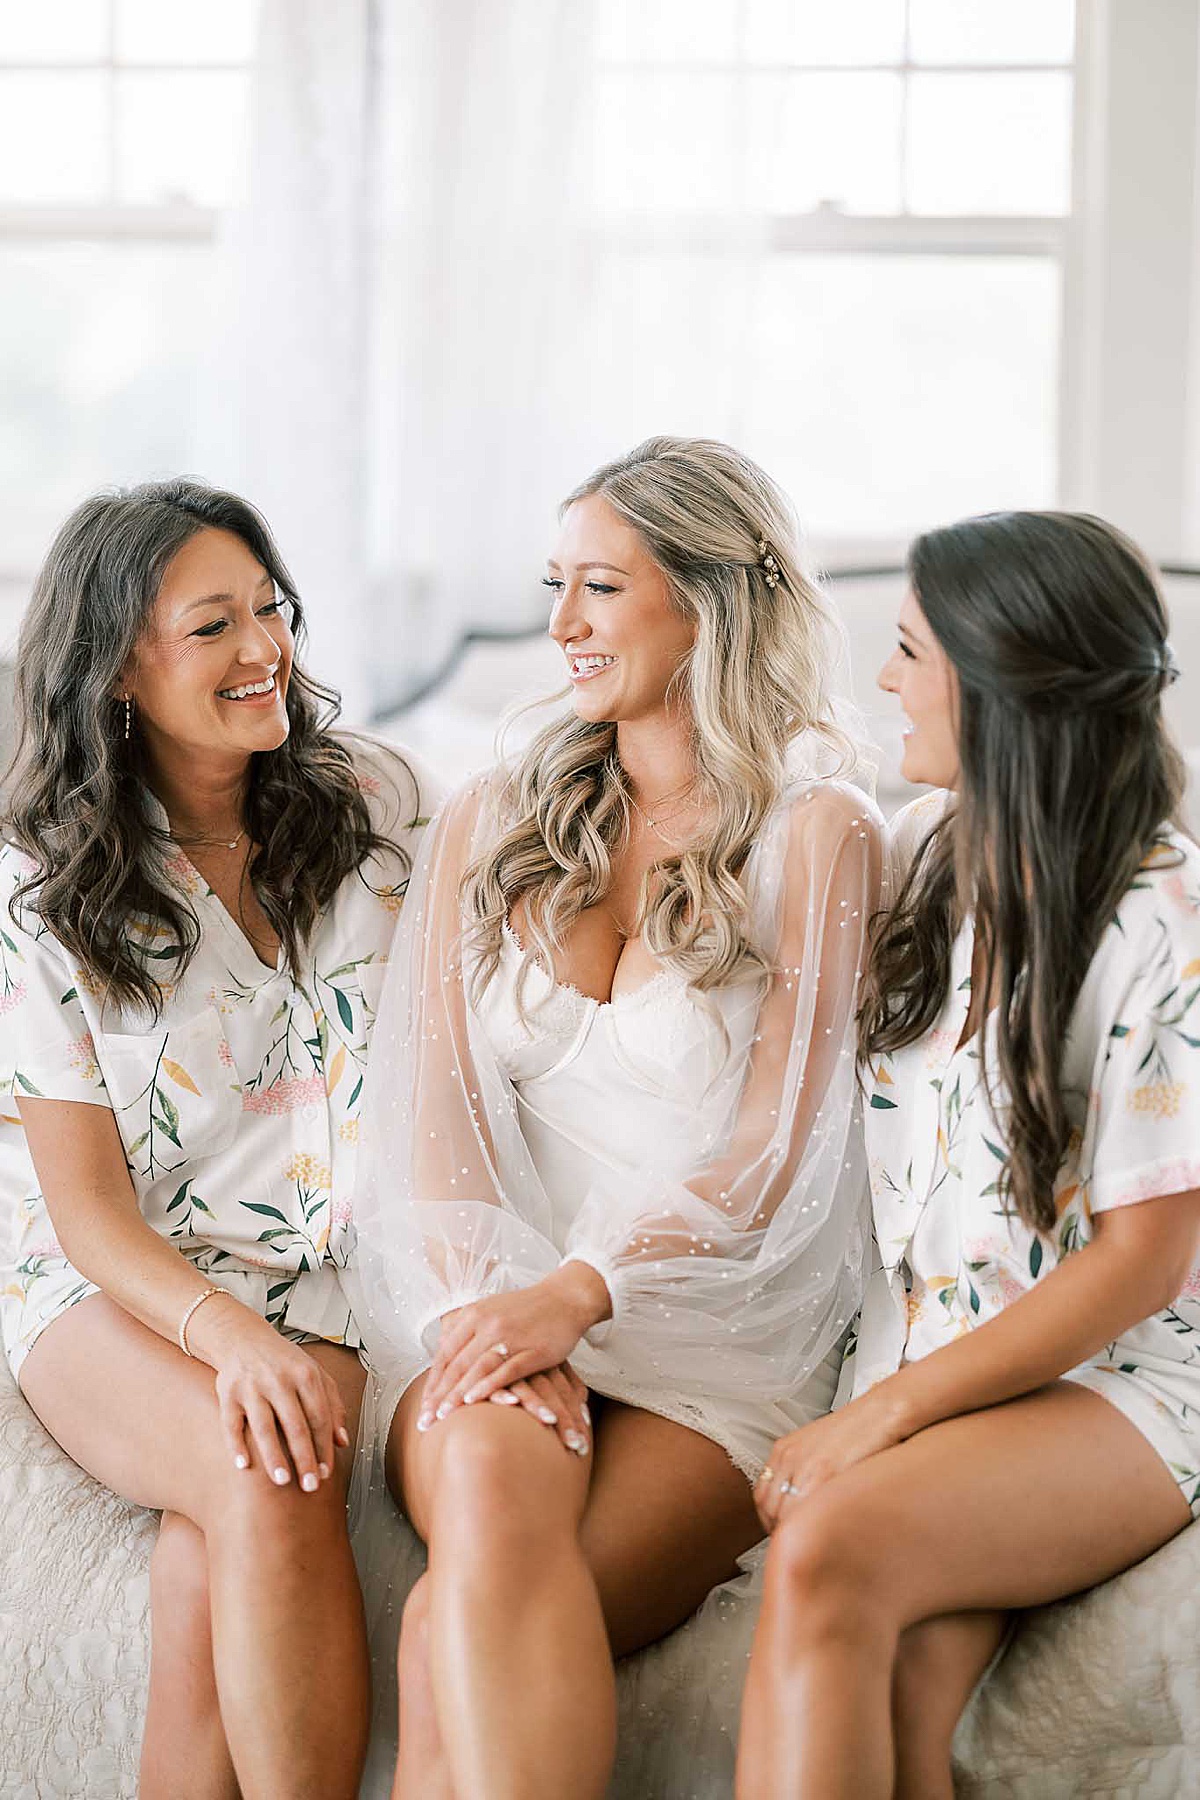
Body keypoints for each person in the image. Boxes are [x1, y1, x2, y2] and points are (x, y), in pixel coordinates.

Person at [348, 436, 884, 1800]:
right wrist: (506, 1304)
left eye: (598, 588)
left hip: (715, 1337)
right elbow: (433, 1115)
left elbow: (780, 1155)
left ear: (707, 601)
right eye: (554, 585)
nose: (559, 626)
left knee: (446, 1627)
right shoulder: (494, 809)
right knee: (489, 1518)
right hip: (489, 1300)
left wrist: (583, 1294)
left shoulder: (816, 831)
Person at [738, 511, 1200, 1800]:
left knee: (826, 1550)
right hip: (943, 1356)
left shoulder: (1167, 924)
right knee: (887, 1700)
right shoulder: (931, 864)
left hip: (1127, 1379)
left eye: (906, 654)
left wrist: (879, 1420)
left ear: (1001, 683)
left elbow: (1142, 1267)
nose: (883, 683)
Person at [0, 479, 435, 1800]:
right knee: (264, 1472)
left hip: (334, 1285)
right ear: (118, 668)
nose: (266, 653)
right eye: (213, 627)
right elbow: (85, 1216)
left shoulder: (378, 808)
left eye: (273, 610)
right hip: (115, 1285)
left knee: (207, 1569)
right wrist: (234, 1339)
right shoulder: (43, 896)